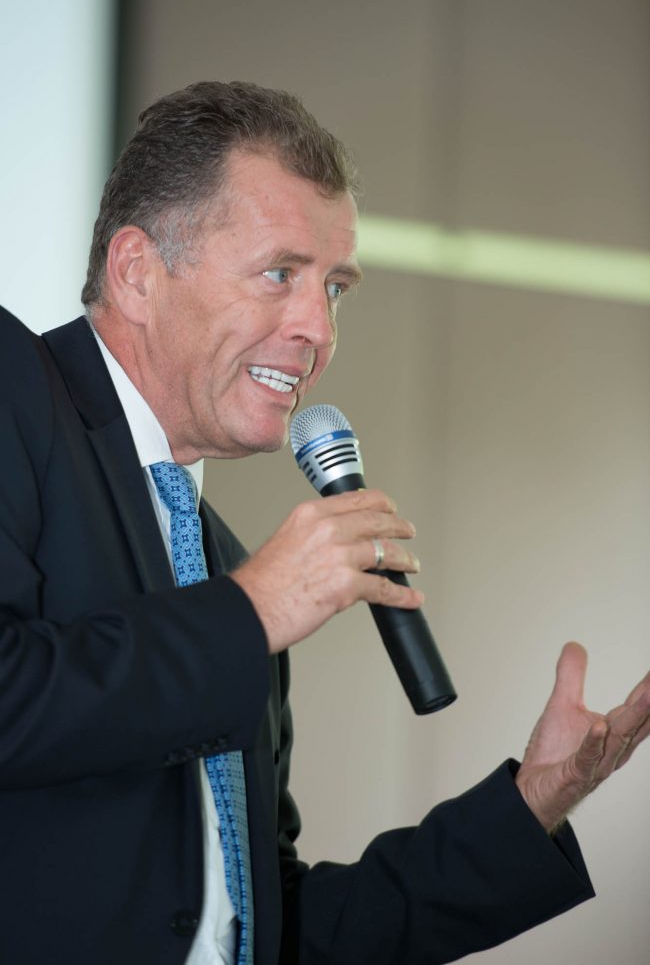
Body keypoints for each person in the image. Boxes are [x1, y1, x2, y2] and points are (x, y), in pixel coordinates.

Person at [0, 81, 647, 965]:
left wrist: (532, 806)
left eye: (335, 287)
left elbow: (269, 926)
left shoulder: (226, 568)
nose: (318, 329)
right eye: (281, 273)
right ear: (137, 272)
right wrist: (252, 612)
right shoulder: (16, 393)